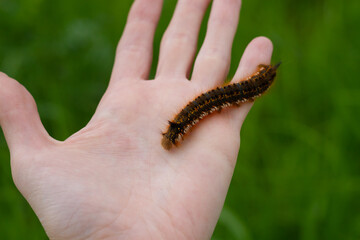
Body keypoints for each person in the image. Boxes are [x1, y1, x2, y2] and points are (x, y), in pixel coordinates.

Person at [0, 0, 273, 239]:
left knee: (218, 98)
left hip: (220, 101)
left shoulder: (195, 115)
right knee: (214, 99)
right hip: (208, 108)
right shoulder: (186, 121)